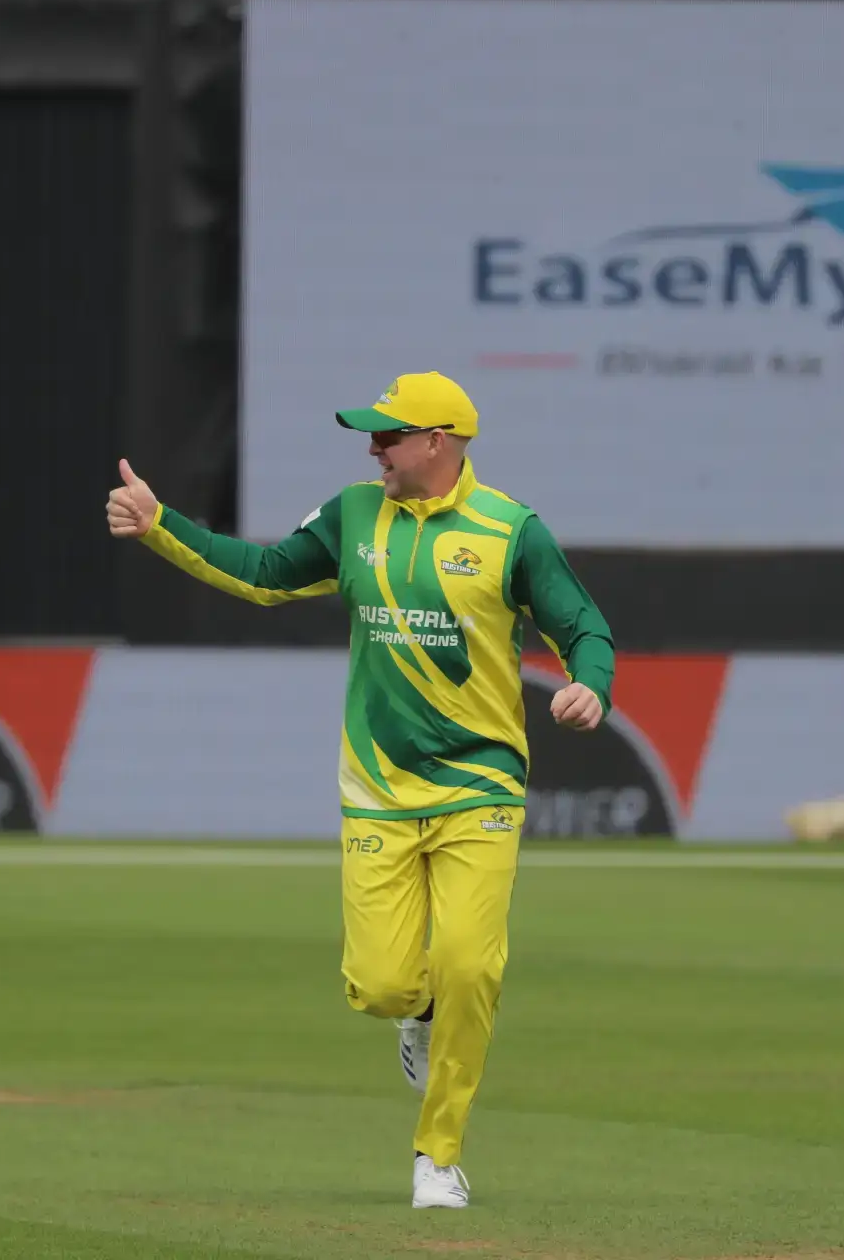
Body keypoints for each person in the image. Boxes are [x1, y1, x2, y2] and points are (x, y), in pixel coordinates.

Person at [107, 371, 615, 1210]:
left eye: (388, 435)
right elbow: (265, 572)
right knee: (382, 986)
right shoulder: (352, 516)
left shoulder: (510, 531)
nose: (373, 449)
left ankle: (438, 1157)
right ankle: (416, 1014)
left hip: (480, 782)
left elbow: (583, 625)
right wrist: (162, 525)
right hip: (379, 787)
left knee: (470, 966)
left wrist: (590, 685)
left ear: (438, 442)